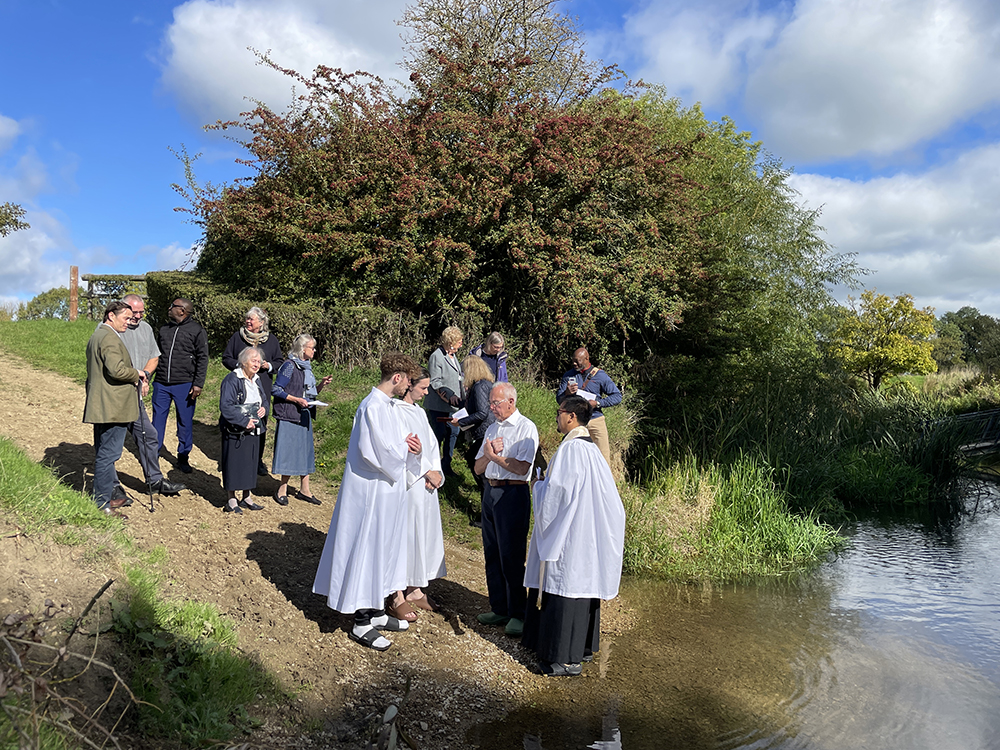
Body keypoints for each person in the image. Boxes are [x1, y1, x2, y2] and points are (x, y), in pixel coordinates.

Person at [312, 353, 424, 651]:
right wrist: (404, 449)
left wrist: (414, 448)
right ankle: (361, 622)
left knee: (384, 551)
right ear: (397, 377)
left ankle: (375, 611)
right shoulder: (371, 406)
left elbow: (400, 444)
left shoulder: (389, 406)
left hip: (388, 495)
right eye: (407, 381)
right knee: (368, 549)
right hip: (370, 494)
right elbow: (374, 452)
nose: (408, 387)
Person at [521, 395, 625, 677]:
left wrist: (539, 486)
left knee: (565, 587)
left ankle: (561, 660)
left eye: (559, 412)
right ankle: (581, 651)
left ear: (570, 417)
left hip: (569, 536)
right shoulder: (591, 451)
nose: (556, 417)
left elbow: (557, 495)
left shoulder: (570, 451)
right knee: (581, 588)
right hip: (587, 535)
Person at [473, 382, 539, 638]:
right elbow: (478, 468)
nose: (491, 408)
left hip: (513, 493)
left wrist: (496, 457)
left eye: (495, 403)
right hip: (490, 491)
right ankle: (499, 606)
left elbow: (523, 468)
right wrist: (489, 456)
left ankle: (518, 613)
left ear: (511, 402)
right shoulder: (491, 428)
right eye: (490, 403)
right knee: (492, 551)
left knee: (512, 554)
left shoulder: (526, 428)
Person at [113, 294, 186, 501]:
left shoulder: (146, 329)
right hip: (117, 395)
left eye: (141, 312)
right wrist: (135, 376)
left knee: (149, 435)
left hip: (135, 393)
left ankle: (154, 479)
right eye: (133, 313)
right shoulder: (114, 329)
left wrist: (144, 378)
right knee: (113, 444)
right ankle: (112, 486)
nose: (137, 317)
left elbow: (154, 357)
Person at [388, 368, 446, 623]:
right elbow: (406, 449)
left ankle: (415, 587)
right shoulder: (396, 411)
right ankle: (399, 590)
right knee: (407, 534)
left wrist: (438, 473)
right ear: (409, 385)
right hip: (412, 483)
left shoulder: (420, 412)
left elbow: (431, 446)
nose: (426, 392)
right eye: (423, 388)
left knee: (422, 533)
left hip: (428, 483)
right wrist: (426, 471)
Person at [83, 301, 147, 516]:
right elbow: (116, 370)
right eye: (126, 318)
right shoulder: (109, 338)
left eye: (131, 319)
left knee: (104, 452)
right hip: (114, 406)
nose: (129, 322)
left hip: (104, 405)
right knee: (107, 455)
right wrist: (137, 373)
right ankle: (102, 504)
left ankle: (110, 497)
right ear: (111, 315)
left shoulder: (99, 335)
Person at [270, 334, 332, 506]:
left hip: (304, 414)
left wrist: (321, 385)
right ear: (303, 349)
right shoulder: (289, 366)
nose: (314, 351)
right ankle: (282, 489)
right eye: (312, 348)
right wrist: (296, 400)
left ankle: (305, 490)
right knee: (289, 452)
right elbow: (276, 389)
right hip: (290, 414)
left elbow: (308, 393)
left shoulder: (306, 367)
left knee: (305, 452)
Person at [222, 307, 284, 476]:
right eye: (247, 319)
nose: (248, 322)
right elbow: (226, 357)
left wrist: (268, 366)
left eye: (252, 319)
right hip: (240, 386)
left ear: (262, 323)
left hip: (261, 385)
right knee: (238, 419)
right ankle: (234, 456)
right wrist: (242, 365)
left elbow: (279, 362)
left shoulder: (271, 340)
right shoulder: (238, 337)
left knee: (260, 422)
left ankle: (257, 460)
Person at [152, 298, 209, 473]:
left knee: (184, 422)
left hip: (185, 384)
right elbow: (155, 354)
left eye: (173, 306)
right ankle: (153, 452)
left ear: (182, 310)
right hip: (161, 382)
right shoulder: (164, 329)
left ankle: (183, 456)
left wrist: (198, 384)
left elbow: (203, 358)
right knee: (157, 420)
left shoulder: (197, 331)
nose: (169, 309)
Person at [218, 347, 269, 514]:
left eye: (259, 361)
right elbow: (226, 407)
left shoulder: (257, 379)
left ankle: (247, 497)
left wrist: (264, 410)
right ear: (244, 362)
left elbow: (265, 401)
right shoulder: (232, 379)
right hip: (235, 430)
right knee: (234, 463)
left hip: (254, 429)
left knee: (251, 463)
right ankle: (231, 500)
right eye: (254, 361)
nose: (257, 364)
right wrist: (243, 421)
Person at [555, 347, 622, 466]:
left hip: (596, 420)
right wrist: (567, 393)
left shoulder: (600, 375)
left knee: (603, 459)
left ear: (587, 358)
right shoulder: (568, 376)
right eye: (573, 361)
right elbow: (559, 400)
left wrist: (598, 403)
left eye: (577, 361)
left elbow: (617, 396)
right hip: (576, 422)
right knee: (574, 459)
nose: (574, 364)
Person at [451, 354, 496, 492]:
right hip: (487, 430)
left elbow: (482, 412)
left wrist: (461, 422)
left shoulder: (479, 386)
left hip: (485, 431)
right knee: (476, 460)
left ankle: (485, 493)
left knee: (475, 460)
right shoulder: (484, 384)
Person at [423, 326, 464, 476]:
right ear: (451, 341)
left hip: (453, 407)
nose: (461, 344)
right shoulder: (437, 356)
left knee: (453, 432)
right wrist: (447, 395)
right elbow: (435, 381)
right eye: (459, 341)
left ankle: (446, 464)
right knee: (438, 434)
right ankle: (432, 466)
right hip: (439, 405)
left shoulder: (453, 356)